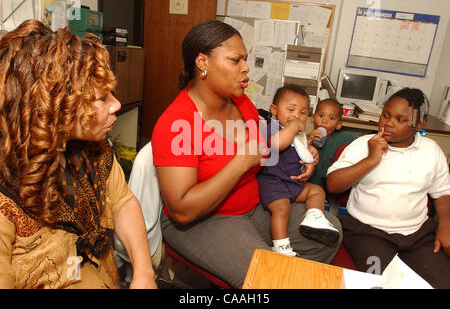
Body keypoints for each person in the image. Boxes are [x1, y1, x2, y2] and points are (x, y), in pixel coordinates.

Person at [151, 19, 342, 288]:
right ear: (202, 62)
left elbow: (266, 152)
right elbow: (182, 210)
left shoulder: (241, 103)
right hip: (205, 221)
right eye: (235, 60)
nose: (246, 68)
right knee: (268, 279)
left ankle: (287, 277)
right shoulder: (176, 123)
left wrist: (300, 156)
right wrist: (240, 163)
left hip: (254, 206)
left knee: (330, 229)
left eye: (246, 59)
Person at [0, 20, 156, 289]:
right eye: (102, 98)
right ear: (52, 107)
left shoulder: (92, 150)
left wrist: (144, 272)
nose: (117, 104)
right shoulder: (6, 192)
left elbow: (124, 203)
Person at [327, 88, 450, 288]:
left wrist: (446, 222)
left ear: (419, 124)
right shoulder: (363, 144)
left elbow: (443, 193)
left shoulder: (431, 151)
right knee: (381, 283)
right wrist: (371, 159)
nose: (388, 123)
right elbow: (333, 185)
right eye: (386, 115)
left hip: (417, 235)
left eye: (400, 119)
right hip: (367, 233)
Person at [257, 85, 340, 256]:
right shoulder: (270, 127)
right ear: (274, 110)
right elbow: (277, 145)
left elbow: (302, 152)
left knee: (317, 191)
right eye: (291, 109)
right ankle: (282, 248)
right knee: (282, 209)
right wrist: (294, 126)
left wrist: (310, 153)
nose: (296, 115)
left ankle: (314, 217)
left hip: (292, 183)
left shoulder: (299, 135)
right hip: (273, 183)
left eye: (302, 113)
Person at [307, 99, 357, 189]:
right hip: (307, 186)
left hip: (330, 188)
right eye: (321, 115)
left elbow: (363, 142)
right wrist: (308, 141)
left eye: (331, 118)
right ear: (312, 118)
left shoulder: (344, 139)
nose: (324, 121)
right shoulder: (305, 138)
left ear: (338, 125)